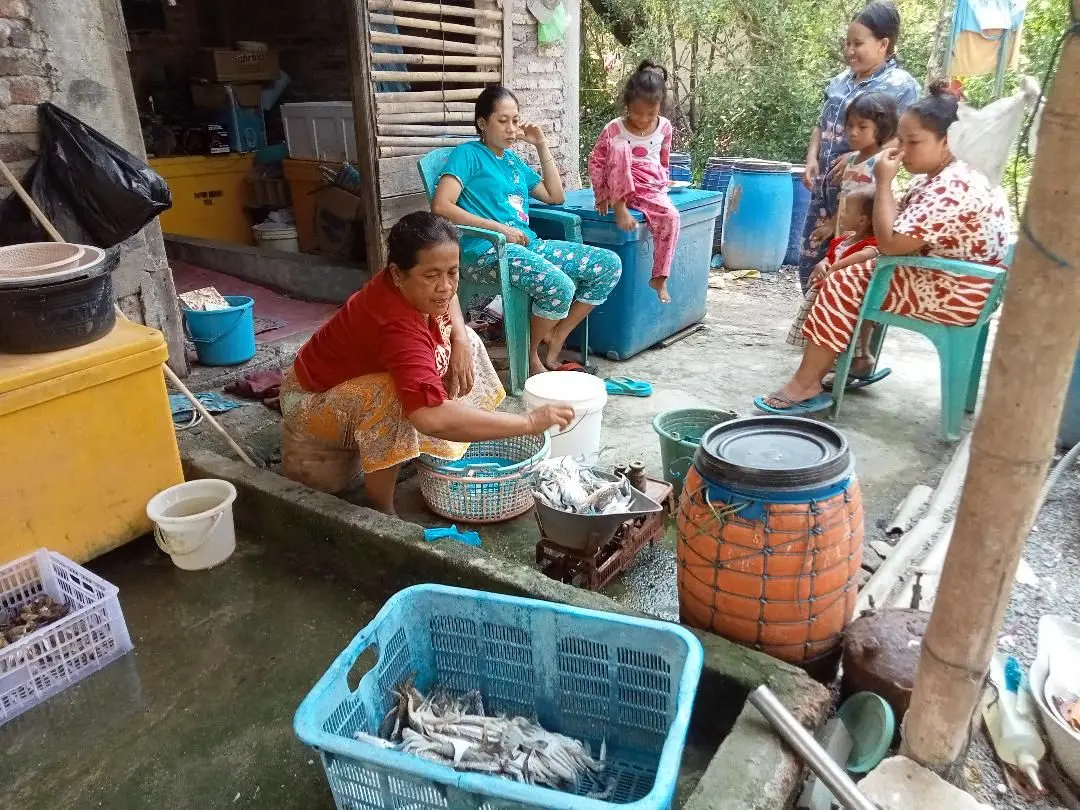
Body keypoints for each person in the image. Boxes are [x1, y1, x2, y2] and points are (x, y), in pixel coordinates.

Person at [279, 212, 574, 514]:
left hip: (352, 376)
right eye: (431, 276)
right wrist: (528, 423)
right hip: (309, 399)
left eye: (453, 272)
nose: (445, 286)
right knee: (389, 396)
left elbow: (451, 297)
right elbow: (429, 417)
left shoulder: (419, 288)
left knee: (469, 342)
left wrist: (459, 339)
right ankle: (382, 511)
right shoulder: (394, 324)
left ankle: (449, 447)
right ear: (397, 273)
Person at [758, 83, 1011, 415]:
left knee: (841, 280)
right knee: (841, 266)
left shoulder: (955, 185)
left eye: (914, 142)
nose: (903, 151)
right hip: (953, 278)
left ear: (948, 141)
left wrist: (884, 182)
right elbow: (894, 234)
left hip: (955, 290)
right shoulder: (944, 175)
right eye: (901, 140)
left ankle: (807, 381)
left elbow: (890, 242)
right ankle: (855, 358)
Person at [432, 85, 623, 375]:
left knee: (608, 265)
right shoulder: (468, 154)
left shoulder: (512, 162)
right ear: (482, 123)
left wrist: (541, 145)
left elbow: (555, 196)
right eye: (502, 120)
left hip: (526, 246)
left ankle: (557, 336)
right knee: (560, 286)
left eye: (515, 120)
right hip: (485, 253)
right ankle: (530, 356)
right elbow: (442, 206)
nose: (511, 129)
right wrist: (500, 229)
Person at [798, 0, 920, 292]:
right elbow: (821, 123)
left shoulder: (902, 85)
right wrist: (812, 157)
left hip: (861, 189)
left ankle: (842, 331)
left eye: (858, 44)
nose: (850, 51)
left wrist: (860, 155)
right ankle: (815, 324)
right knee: (811, 257)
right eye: (848, 43)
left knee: (850, 263)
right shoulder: (840, 81)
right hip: (824, 188)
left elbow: (904, 139)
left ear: (883, 44)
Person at [587, 61, 680, 304]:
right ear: (627, 105)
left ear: (660, 107)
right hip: (618, 185)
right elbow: (596, 161)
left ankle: (659, 276)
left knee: (672, 217)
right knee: (620, 149)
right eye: (637, 113)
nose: (643, 119)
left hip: (649, 188)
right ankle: (621, 208)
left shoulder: (665, 127)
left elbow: (663, 158)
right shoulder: (614, 129)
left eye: (651, 113)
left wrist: (664, 183)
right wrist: (602, 195)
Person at [787, 191, 882, 377]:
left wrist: (836, 267)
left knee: (842, 331)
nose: (841, 214)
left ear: (862, 220)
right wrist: (823, 264)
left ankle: (853, 359)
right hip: (823, 293)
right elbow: (828, 259)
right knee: (818, 328)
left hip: (847, 298)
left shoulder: (871, 244)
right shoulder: (842, 241)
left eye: (846, 211)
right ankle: (824, 362)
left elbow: (865, 255)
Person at [810, 91, 899, 245]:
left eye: (862, 127)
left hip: (868, 243)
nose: (853, 132)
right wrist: (831, 226)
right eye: (850, 125)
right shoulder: (850, 161)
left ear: (883, 128)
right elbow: (846, 199)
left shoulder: (883, 163)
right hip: (846, 238)